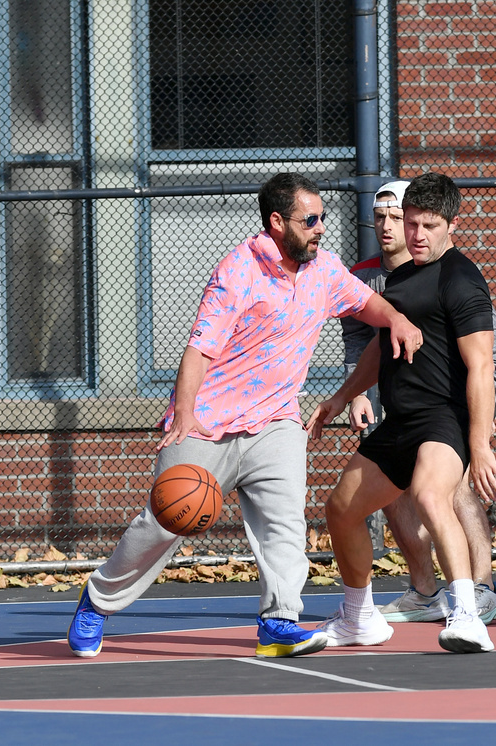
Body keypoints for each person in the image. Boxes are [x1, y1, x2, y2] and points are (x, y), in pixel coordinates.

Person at [67, 172, 423, 660]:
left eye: (322, 217)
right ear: (277, 222)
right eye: (310, 219)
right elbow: (199, 349)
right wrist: (184, 417)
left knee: (285, 525)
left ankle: (279, 622)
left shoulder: (325, 269)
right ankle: (97, 601)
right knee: (165, 523)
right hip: (208, 422)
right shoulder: (238, 269)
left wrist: (398, 319)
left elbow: (366, 303)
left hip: (276, 421)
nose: (321, 227)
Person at [308, 171, 496, 654]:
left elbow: (481, 365)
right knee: (341, 509)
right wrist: (341, 396)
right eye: (409, 223)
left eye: (428, 226)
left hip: (443, 417)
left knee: (430, 495)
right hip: (399, 420)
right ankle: (358, 619)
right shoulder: (400, 276)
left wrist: (479, 445)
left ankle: (467, 616)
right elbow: (381, 348)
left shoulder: (462, 280)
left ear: (451, 225)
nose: (416, 235)